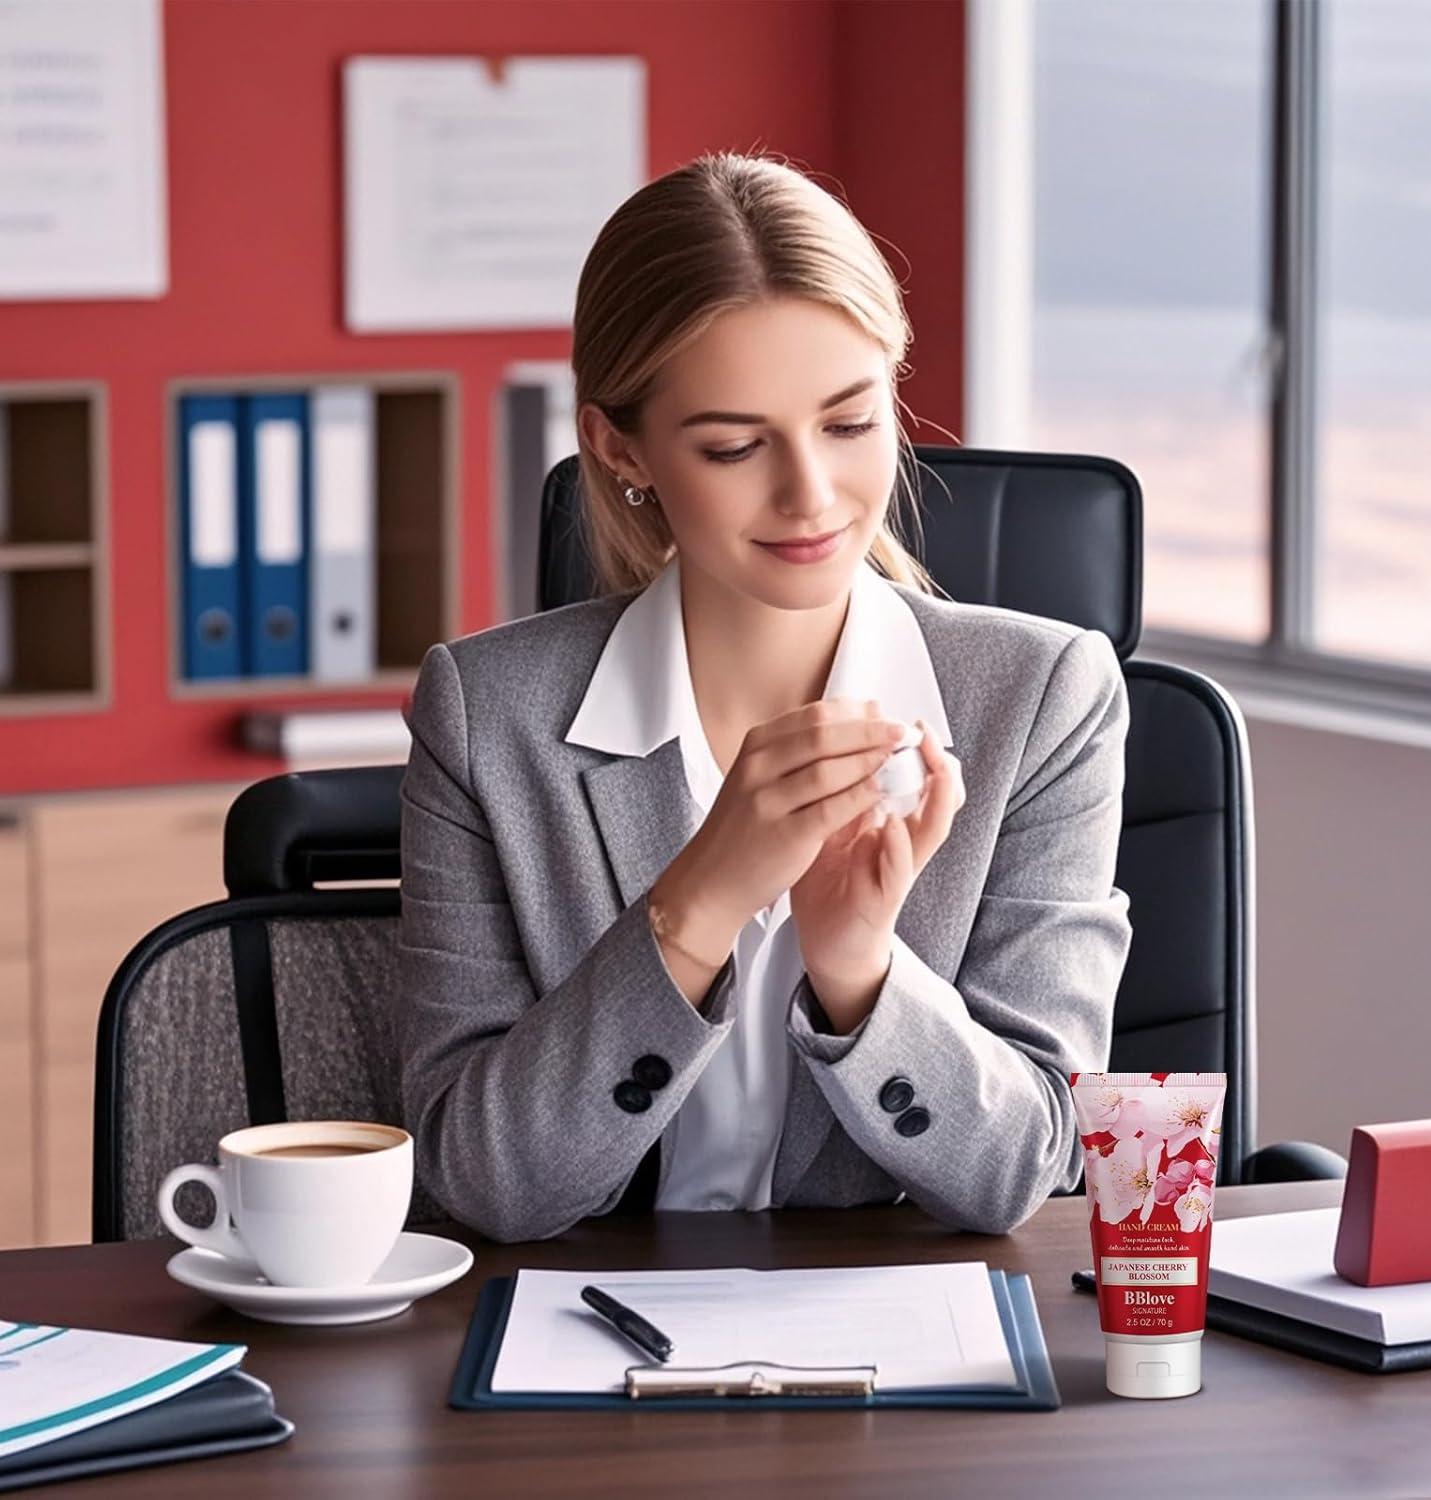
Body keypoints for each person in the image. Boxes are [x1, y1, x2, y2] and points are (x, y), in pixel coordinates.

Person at [396, 150, 1132, 1243]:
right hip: (586, 1343)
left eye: (849, 423)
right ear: (618, 446)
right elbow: (480, 1183)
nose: (810, 494)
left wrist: (860, 971)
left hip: (905, 1356)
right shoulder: (483, 714)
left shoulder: (1041, 701)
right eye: (735, 446)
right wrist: (695, 908)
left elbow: (1027, 1171)